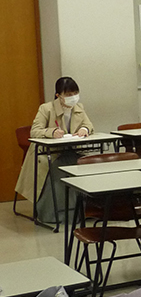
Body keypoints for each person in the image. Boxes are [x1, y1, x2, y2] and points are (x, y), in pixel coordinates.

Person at [15, 77, 94, 224]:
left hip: (72, 150)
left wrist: (84, 129)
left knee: (86, 165)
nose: (73, 97)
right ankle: (52, 214)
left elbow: (89, 125)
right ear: (58, 95)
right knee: (60, 170)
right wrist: (51, 132)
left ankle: (83, 211)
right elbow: (35, 131)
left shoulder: (79, 108)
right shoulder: (46, 108)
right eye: (68, 94)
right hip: (48, 154)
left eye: (75, 93)